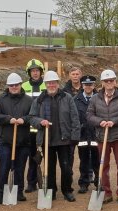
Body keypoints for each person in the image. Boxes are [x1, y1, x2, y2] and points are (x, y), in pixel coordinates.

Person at [27, 70, 81, 202]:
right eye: (49, 83)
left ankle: (67, 190)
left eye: (54, 82)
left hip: (64, 139)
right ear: (45, 84)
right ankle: (51, 191)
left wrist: (75, 136)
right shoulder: (39, 99)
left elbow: (75, 118)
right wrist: (40, 122)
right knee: (49, 168)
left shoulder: (67, 98)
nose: (51, 85)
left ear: (58, 83)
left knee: (66, 167)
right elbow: (31, 117)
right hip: (47, 140)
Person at [86, 69, 118, 203]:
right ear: (102, 83)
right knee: (103, 165)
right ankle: (106, 192)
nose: (109, 83)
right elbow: (89, 115)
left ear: (115, 81)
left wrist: (115, 121)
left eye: (111, 80)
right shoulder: (95, 98)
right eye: (106, 81)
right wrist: (99, 122)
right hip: (102, 136)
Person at [0, 72, 32, 204]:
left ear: (21, 85)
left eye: (17, 85)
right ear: (8, 86)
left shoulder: (28, 100)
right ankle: (0, 193)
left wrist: (24, 120)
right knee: (4, 168)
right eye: (12, 85)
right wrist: (8, 119)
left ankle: (19, 191)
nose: (14, 87)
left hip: (23, 141)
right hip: (5, 141)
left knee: (20, 168)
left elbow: (33, 115)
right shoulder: (0, 100)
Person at [21, 59, 47, 193]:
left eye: (37, 70)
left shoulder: (47, 85)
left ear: (41, 72)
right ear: (29, 73)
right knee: (32, 156)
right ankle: (31, 182)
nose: (35, 73)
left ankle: (48, 181)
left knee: (47, 156)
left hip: (44, 128)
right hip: (28, 129)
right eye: (32, 71)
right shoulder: (23, 86)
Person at [73, 74, 98, 194]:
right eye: (86, 85)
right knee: (83, 160)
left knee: (97, 159)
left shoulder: (99, 98)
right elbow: (73, 117)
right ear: (82, 86)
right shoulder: (75, 100)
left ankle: (99, 182)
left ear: (94, 85)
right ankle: (84, 183)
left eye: (90, 84)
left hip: (96, 134)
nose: (88, 87)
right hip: (82, 134)